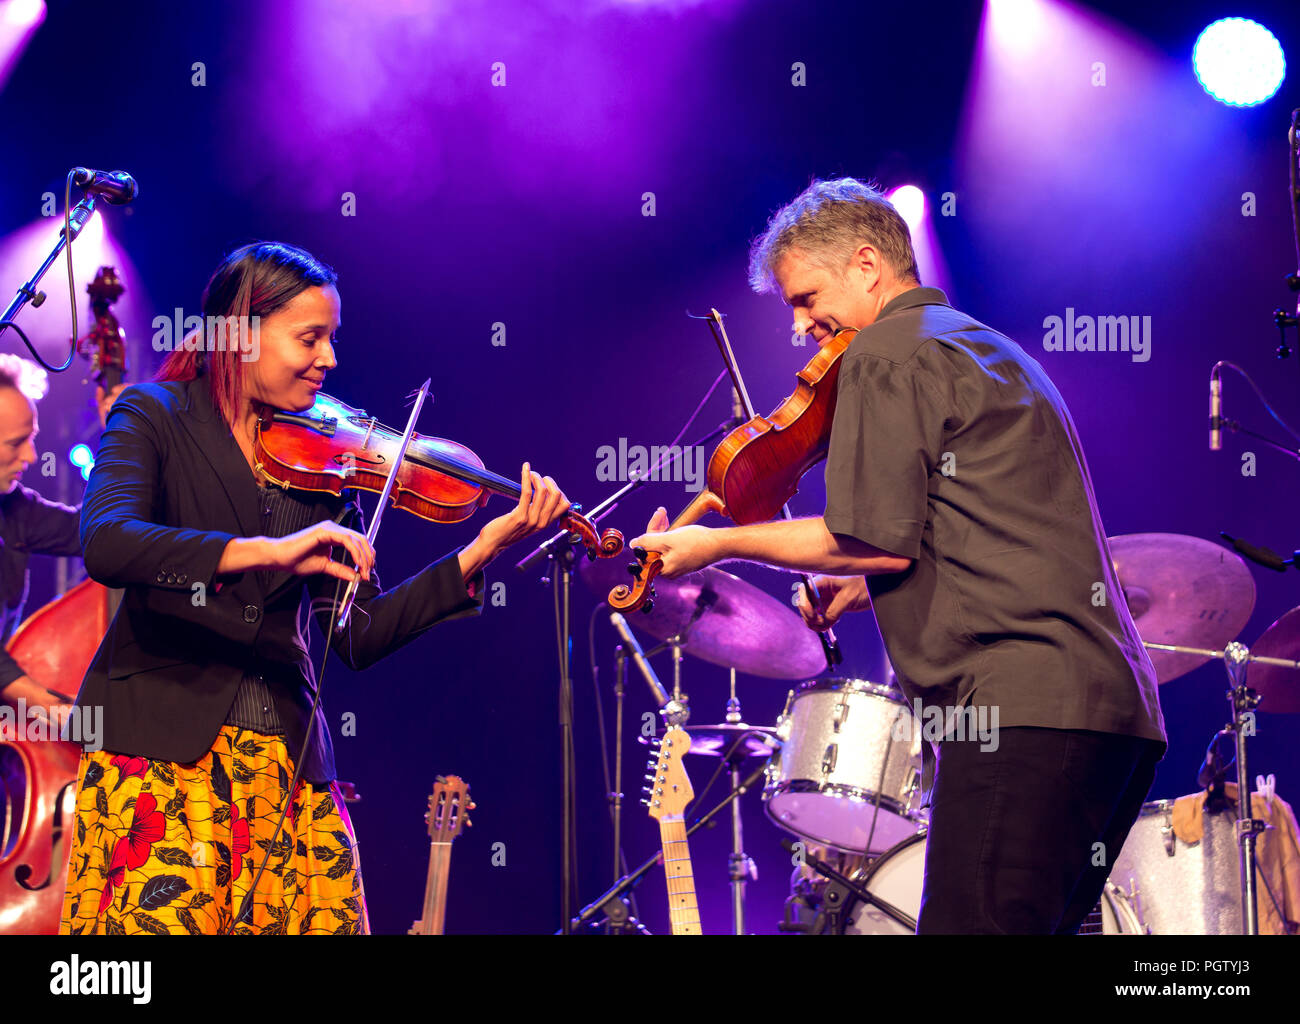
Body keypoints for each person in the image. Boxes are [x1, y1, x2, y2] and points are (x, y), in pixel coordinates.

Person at [632, 178, 1167, 934]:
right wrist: (861, 577)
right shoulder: (991, 350)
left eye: (805, 296)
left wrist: (714, 543)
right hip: (1113, 719)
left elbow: (871, 539)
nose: (799, 323)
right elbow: (970, 519)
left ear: (865, 265)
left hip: (1021, 712)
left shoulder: (885, 352)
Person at [59, 241, 571, 935]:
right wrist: (261, 551)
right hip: (158, 759)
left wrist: (482, 548)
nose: (329, 359)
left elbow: (355, 636)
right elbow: (108, 542)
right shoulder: (153, 417)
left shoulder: (326, 463)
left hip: (286, 767)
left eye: (331, 337)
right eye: (310, 337)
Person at [0, 354, 123, 715]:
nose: (32, 455)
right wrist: (59, 713)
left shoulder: (15, 508)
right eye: (15, 443)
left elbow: (96, 536)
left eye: (32, 438)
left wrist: (122, 438)